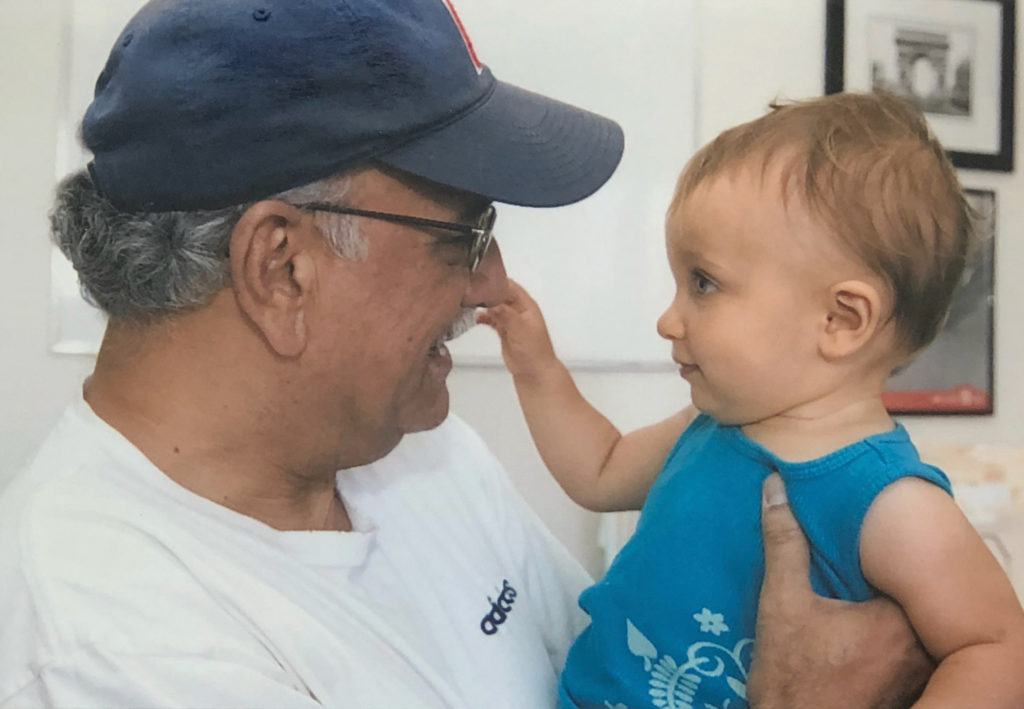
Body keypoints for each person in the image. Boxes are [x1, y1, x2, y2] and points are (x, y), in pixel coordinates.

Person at [0, 0, 927, 706]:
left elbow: (606, 661)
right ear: (282, 266)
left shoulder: (415, 450)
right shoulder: (108, 638)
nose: (490, 285)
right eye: (465, 232)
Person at [480, 91, 1024, 709]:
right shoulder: (710, 423)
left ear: (842, 320)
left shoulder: (892, 503)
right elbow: (599, 471)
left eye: (703, 284)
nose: (667, 319)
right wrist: (535, 366)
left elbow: (998, 647)